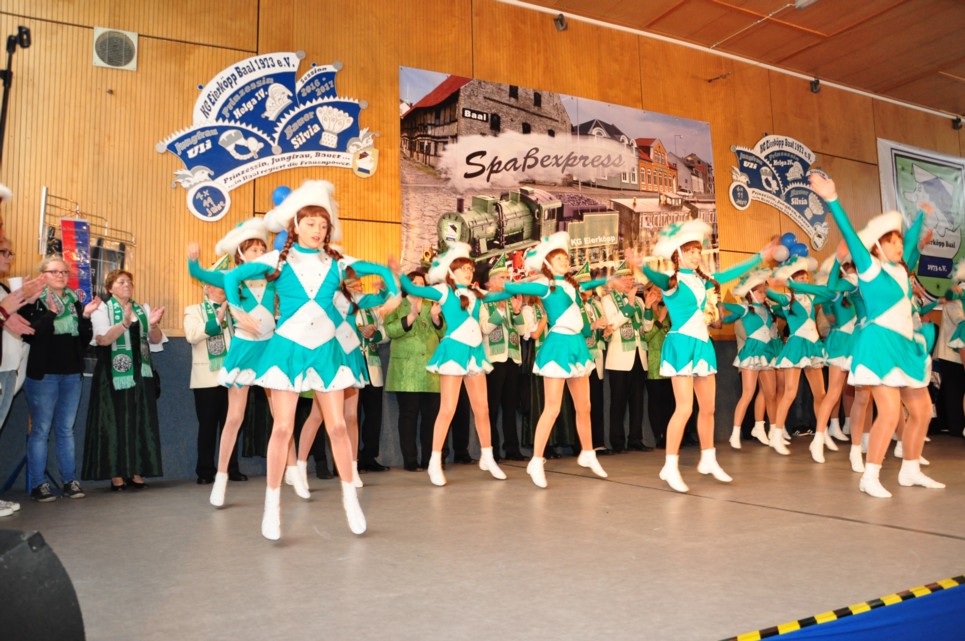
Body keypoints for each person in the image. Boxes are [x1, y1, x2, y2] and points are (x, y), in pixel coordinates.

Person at [223, 180, 397, 539]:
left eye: (323, 224)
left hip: (326, 350)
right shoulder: (277, 260)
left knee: (337, 426)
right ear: (296, 225)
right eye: (311, 223)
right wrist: (237, 309)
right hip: (287, 349)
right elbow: (233, 276)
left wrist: (392, 292)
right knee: (282, 428)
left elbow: (380, 272)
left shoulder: (338, 262)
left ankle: (350, 500)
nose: (318, 230)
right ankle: (272, 506)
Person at [810, 172, 941, 497]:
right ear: (877, 248)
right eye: (892, 243)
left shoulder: (901, 271)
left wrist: (920, 216)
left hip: (904, 346)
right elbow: (851, 235)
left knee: (921, 410)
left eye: (899, 243)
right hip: (878, 345)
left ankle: (910, 469)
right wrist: (832, 198)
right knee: (890, 411)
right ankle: (870, 476)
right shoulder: (870, 269)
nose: (899, 247)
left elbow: (912, 245)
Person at [634, 220, 774, 492]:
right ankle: (670, 465)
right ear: (678, 254)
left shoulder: (705, 280)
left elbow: (733, 271)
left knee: (708, 408)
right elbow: (656, 276)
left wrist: (760, 256)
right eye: (690, 251)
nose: (696, 255)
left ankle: (708, 458)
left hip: (702, 344)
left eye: (699, 251)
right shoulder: (672, 281)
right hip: (681, 344)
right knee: (684, 408)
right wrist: (642, 265)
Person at [392, 242, 507, 486]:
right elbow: (413, 288)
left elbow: (501, 295)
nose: (468, 272)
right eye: (463, 268)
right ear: (451, 272)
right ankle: (434, 461)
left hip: (475, 352)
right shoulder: (444, 291)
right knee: (447, 409)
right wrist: (398, 273)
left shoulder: (476, 293)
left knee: (482, 409)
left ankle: (487, 456)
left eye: (470, 268)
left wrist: (510, 284)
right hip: (454, 352)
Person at [502, 232, 609, 488]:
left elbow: (589, 291)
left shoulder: (573, 286)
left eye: (565, 257)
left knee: (584, 406)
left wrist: (610, 280)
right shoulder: (544, 285)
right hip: (558, 345)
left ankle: (588, 453)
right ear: (548, 263)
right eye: (559, 258)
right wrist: (500, 286)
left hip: (577, 345)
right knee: (552, 408)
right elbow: (516, 287)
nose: (564, 260)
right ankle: (536, 460)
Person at [187, 218, 272, 506]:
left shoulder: (274, 278)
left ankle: (291, 469)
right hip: (245, 350)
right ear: (241, 254)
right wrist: (193, 259)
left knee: (282, 417)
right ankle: (221, 478)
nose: (259, 253)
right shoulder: (230, 277)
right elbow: (197, 273)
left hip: (270, 350)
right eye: (253, 249)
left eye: (263, 248)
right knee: (234, 417)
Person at [18, 256, 100, 501]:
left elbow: (83, 341)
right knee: (41, 430)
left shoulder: (74, 301)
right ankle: (38, 483)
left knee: (65, 430)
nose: (61, 276)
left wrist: (85, 317)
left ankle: (69, 481)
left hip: (71, 374)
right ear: (42, 275)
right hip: (43, 374)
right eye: (55, 271)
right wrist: (52, 314)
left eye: (64, 272)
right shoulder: (33, 301)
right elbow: (29, 334)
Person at [82, 269, 166, 491]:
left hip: (140, 375)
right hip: (113, 376)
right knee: (116, 421)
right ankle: (116, 473)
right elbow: (102, 339)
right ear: (110, 288)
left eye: (129, 281)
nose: (127, 285)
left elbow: (156, 340)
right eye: (121, 282)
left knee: (139, 421)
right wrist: (125, 324)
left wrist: (153, 324)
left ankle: (136, 470)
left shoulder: (142, 309)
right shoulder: (102, 309)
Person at [184, 280, 246, 486]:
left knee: (233, 424)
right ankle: (205, 470)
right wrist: (216, 320)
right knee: (208, 427)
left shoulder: (235, 311)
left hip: (233, 378)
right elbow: (192, 336)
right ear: (208, 288)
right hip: (207, 379)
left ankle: (230, 468)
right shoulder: (194, 310)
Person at [765, 256, 829, 456]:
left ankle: (822, 433)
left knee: (821, 394)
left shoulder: (812, 298)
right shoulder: (786, 299)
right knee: (790, 393)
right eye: (800, 277)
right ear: (792, 279)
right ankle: (776, 435)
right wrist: (769, 277)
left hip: (813, 346)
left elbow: (828, 293)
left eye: (806, 276)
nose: (805, 279)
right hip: (796, 346)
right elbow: (768, 291)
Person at [384, 270, 444, 472]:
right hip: (406, 371)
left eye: (422, 283)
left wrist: (436, 318)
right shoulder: (396, 303)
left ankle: (430, 459)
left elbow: (444, 331)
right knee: (408, 415)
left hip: (430, 371)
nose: (419, 287)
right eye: (415, 283)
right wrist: (410, 316)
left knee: (431, 417)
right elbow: (390, 330)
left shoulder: (431, 305)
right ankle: (410, 460)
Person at [722, 269, 778, 450]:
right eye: (760, 292)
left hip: (767, 353)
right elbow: (726, 307)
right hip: (751, 352)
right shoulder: (745, 308)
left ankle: (772, 431)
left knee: (771, 394)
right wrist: (717, 305)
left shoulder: (769, 308)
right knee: (747, 394)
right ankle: (735, 433)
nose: (763, 295)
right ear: (751, 293)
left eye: (764, 292)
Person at [479, 254, 526, 461]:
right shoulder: (484, 302)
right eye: (501, 278)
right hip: (494, 361)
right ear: (489, 283)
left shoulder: (511, 301)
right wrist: (498, 311)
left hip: (512, 358)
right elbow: (484, 328)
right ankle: (492, 450)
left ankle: (512, 448)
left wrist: (516, 311)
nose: (506, 281)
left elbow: (523, 331)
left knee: (510, 406)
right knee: (492, 407)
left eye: (507, 278)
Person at [601, 260, 651, 453]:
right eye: (625, 279)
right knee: (618, 402)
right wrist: (629, 304)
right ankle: (617, 441)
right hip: (619, 357)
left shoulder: (638, 301)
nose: (630, 282)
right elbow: (612, 324)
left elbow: (646, 327)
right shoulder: (607, 300)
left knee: (637, 401)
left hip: (639, 354)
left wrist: (648, 307)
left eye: (631, 279)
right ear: (615, 282)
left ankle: (635, 439)